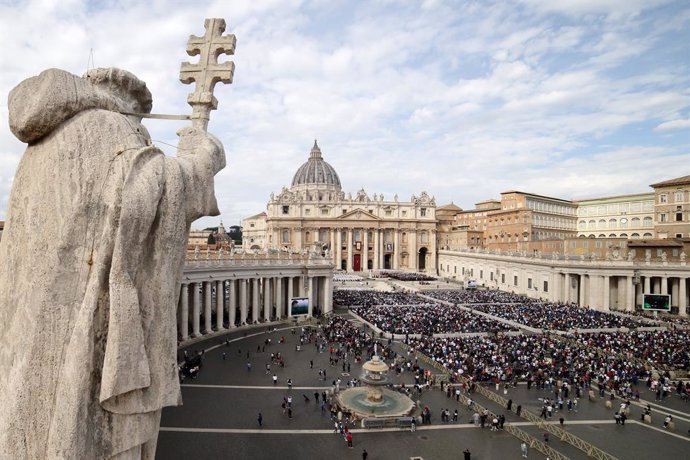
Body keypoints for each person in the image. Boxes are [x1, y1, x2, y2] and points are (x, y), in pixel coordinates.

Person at [0, 67, 226, 459]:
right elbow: (141, 198)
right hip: (79, 320)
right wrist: (200, 160)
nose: (142, 130)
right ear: (127, 103)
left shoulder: (40, 145)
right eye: (140, 119)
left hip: (36, 315)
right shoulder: (105, 125)